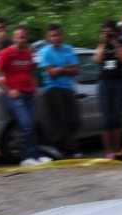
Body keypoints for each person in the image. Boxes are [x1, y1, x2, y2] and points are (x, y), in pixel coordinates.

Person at [0, 25, 50, 166]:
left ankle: (36, 155)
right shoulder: (6, 53)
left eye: (24, 36)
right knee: (26, 125)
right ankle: (26, 157)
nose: (22, 39)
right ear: (14, 38)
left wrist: (35, 87)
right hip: (15, 96)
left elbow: (32, 72)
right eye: (19, 36)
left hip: (29, 94)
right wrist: (9, 90)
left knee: (32, 125)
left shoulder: (27, 53)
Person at [38, 23, 81, 158]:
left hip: (68, 88)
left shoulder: (68, 49)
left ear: (62, 35)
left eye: (58, 35)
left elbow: (76, 70)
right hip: (53, 89)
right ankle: (66, 151)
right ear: (48, 37)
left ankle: (68, 149)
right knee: (60, 121)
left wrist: (60, 69)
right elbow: (51, 73)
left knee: (74, 120)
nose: (56, 38)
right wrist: (65, 68)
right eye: (53, 36)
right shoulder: (45, 51)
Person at [94, 20, 122, 159]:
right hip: (104, 82)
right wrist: (104, 42)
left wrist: (115, 42)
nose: (107, 34)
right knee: (106, 119)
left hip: (118, 81)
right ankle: (108, 151)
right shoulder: (101, 44)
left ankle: (117, 150)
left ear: (115, 31)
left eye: (110, 31)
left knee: (117, 117)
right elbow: (97, 60)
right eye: (104, 31)